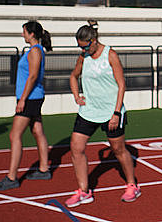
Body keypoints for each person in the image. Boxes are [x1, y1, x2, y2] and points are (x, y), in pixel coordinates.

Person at [65, 21, 141, 208]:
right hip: (89, 110)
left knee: (118, 150)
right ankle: (84, 191)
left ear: (93, 41)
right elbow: (73, 76)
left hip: (111, 112)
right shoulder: (83, 57)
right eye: (79, 47)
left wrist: (116, 113)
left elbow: (121, 84)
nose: (82, 50)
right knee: (76, 147)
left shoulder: (111, 55)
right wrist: (76, 96)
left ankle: (132, 185)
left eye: (84, 46)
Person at [0, 21, 53, 190]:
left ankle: (12, 177)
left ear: (31, 34)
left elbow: (33, 77)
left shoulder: (34, 51)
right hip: (34, 97)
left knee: (14, 135)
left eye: (24, 32)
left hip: (30, 98)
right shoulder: (35, 50)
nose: (22, 35)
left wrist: (23, 99)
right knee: (37, 131)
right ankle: (43, 169)